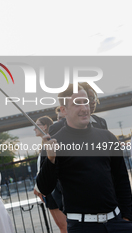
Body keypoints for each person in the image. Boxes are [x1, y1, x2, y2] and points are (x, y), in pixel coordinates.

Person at [36, 84, 132, 232]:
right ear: (64, 110)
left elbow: (122, 180)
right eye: (77, 103)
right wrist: (50, 159)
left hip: (117, 223)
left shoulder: (108, 137)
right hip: (82, 226)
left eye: (85, 101)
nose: (84, 108)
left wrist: (126, 217)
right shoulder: (54, 143)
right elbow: (45, 187)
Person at [33, 116, 67, 233]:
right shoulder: (44, 145)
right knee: (61, 226)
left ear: (45, 126)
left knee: (64, 226)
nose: (34, 129)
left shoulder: (52, 143)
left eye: (37, 125)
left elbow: (51, 168)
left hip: (54, 190)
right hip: (48, 190)